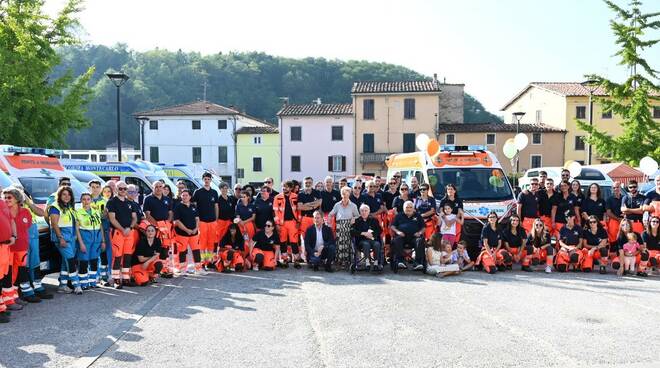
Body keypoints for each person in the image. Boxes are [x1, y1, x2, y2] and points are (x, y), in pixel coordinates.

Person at [2, 188, 40, 305]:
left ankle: (15, 296)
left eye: (9, 197)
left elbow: (27, 226)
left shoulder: (25, 212)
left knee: (19, 271)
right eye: (5, 197)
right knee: (7, 274)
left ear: (17, 199)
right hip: (8, 247)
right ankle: (7, 298)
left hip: (22, 247)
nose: (6, 200)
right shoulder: (3, 211)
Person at [49, 186, 82, 294]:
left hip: (71, 238)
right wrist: (60, 238)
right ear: (59, 195)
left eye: (69, 194)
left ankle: (63, 285)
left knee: (65, 261)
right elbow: (54, 224)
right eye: (64, 194)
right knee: (71, 261)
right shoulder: (55, 206)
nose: (67, 196)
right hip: (62, 239)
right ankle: (77, 285)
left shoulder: (69, 207)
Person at [21, 188, 51, 299]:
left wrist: (29, 202)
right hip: (22, 236)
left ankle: (37, 286)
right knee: (24, 263)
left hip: (33, 235)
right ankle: (26, 289)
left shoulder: (28, 205)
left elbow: (41, 213)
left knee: (35, 261)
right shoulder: (14, 206)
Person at [106, 181, 137, 289]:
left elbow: (134, 218)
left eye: (125, 189)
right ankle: (116, 280)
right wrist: (123, 229)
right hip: (118, 233)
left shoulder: (130, 203)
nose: (123, 191)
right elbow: (112, 219)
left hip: (129, 232)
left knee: (128, 256)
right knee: (117, 256)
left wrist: (130, 227)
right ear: (116, 189)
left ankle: (126, 278)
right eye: (121, 189)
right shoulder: (112, 202)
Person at [143, 181, 175, 275]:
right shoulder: (148, 199)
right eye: (156, 186)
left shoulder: (167, 199)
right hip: (154, 228)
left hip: (165, 228)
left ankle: (164, 269)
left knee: (165, 249)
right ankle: (154, 269)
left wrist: (167, 223)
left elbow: (170, 213)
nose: (158, 188)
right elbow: (147, 214)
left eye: (160, 186)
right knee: (155, 249)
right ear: (153, 188)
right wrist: (157, 225)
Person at [75, 193, 104, 289]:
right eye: (84, 199)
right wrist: (81, 243)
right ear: (81, 201)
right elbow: (77, 230)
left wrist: (103, 240)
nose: (86, 201)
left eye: (88, 199)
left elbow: (100, 226)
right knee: (83, 261)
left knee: (94, 261)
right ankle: (83, 283)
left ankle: (93, 282)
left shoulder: (96, 212)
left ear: (91, 201)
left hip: (96, 241)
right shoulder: (78, 212)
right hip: (85, 240)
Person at [192, 172, 219, 267]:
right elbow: (194, 207)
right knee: (203, 243)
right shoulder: (198, 192)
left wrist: (216, 219)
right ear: (203, 180)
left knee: (211, 242)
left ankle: (210, 260)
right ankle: (203, 261)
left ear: (211, 180)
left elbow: (216, 206)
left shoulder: (214, 192)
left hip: (212, 222)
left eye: (208, 179)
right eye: (205, 179)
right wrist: (197, 220)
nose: (207, 181)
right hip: (202, 221)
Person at [173, 189, 202, 275]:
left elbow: (197, 218)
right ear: (181, 196)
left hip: (194, 233)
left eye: (186, 195)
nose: (185, 197)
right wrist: (187, 230)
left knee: (196, 250)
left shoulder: (193, 206)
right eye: (183, 195)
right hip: (182, 234)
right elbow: (177, 221)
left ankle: (198, 269)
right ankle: (182, 270)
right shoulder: (178, 207)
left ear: (190, 197)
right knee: (182, 251)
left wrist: (196, 228)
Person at [390, 201, 426, 271]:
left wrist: (419, 232)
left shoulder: (418, 216)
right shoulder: (399, 216)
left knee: (420, 240)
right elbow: (392, 226)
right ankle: (400, 261)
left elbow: (423, 227)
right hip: (402, 237)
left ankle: (418, 262)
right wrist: (398, 232)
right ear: (403, 208)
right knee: (397, 240)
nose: (409, 209)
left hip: (414, 237)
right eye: (407, 207)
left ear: (413, 208)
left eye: (410, 207)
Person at [329, 187, 359, 269]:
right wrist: (329, 221)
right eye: (343, 194)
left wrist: (354, 218)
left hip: (349, 226)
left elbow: (358, 216)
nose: (345, 196)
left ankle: (347, 262)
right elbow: (331, 214)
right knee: (339, 245)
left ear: (349, 194)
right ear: (341, 195)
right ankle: (339, 261)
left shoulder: (353, 205)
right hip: (339, 227)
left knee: (348, 244)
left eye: (347, 194)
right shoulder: (337, 205)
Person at [273, 181, 300, 267]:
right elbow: (275, 212)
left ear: (291, 188)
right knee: (283, 242)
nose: (284, 188)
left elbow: (299, 210)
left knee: (294, 242)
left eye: (286, 187)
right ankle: (285, 260)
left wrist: (298, 221)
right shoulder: (277, 197)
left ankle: (296, 260)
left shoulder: (296, 197)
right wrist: (277, 224)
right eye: (283, 187)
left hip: (293, 222)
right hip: (282, 223)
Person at [0, 191, 17, 322]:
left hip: (5, 247)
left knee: (2, 277)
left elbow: (11, 221)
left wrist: (13, 236)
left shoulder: (2, 203)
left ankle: (2, 308)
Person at [351, 204, 383, 271]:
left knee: (377, 244)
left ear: (369, 212)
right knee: (366, 244)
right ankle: (367, 263)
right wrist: (363, 233)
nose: (364, 212)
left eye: (366, 211)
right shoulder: (357, 221)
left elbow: (380, 230)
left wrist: (372, 234)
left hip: (373, 239)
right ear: (360, 212)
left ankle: (376, 263)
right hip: (361, 241)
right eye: (362, 211)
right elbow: (352, 231)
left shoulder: (374, 220)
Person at [297, 177, 322, 243]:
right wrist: (313, 205)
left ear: (312, 183)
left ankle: (314, 253)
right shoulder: (300, 194)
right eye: (306, 183)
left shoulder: (317, 192)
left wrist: (306, 205)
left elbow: (319, 203)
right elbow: (300, 207)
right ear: (303, 183)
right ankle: (306, 252)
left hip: (315, 218)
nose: (308, 184)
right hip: (305, 218)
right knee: (305, 238)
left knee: (315, 237)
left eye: (309, 183)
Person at [99, 183, 115, 285]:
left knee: (112, 254)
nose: (107, 193)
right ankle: (102, 276)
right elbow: (102, 217)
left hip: (112, 230)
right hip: (103, 230)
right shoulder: (101, 203)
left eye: (109, 191)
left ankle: (111, 274)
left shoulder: (114, 202)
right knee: (103, 253)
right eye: (105, 191)